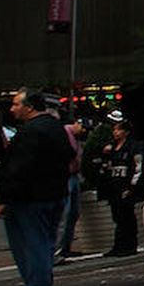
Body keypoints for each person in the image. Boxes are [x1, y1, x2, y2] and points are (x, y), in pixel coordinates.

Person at [0, 89, 75, 286]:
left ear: (29, 107)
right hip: (54, 194)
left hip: (29, 199)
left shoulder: (30, 132)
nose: (12, 109)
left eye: (15, 104)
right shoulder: (54, 127)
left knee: (31, 247)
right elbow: (69, 155)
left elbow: (19, 169)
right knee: (44, 245)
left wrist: (5, 198)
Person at [95, 113, 144, 257]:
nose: (115, 132)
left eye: (118, 130)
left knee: (127, 216)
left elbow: (139, 168)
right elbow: (105, 167)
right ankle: (119, 245)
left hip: (126, 186)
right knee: (117, 217)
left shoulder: (134, 147)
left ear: (126, 132)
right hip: (114, 187)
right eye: (114, 130)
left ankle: (129, 245)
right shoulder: (111, 148)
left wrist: (132, 187)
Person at [55, 107, 86, 263]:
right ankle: (58, 250)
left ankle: (65, 247)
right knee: (65, 213)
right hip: (65, 176)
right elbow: (71, 154)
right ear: (76, 123)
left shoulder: (75, 136)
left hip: (73, 175)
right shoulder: (65, 133)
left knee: (73, 213)